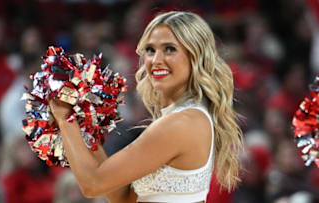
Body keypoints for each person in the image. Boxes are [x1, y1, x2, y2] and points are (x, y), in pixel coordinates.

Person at [49, 11, 243, 203]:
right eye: (150, 50)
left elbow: (92, 185)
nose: (156, 60)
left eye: (170, 49)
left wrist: (65, 118)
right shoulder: (184, 117)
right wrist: (84, 122)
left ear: (195, 57)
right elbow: (121, 197)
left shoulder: (181, 123)